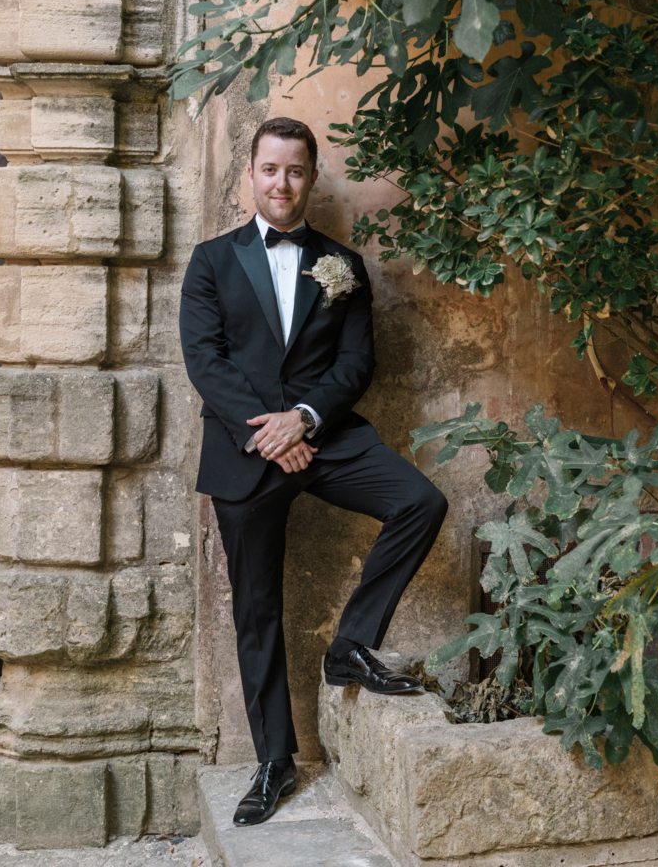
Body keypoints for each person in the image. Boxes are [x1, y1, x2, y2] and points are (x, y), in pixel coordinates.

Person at [179, 117, 449, 827]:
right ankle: (274, 762)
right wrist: (275, 432)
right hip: (246, 447)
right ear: (250, 175)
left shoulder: (343, 266)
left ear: (310, 178)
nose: (282, 183)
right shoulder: (210, 261)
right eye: (270, 169)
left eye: (295, 171)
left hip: (324, 436)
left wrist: (305, 419)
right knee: (257, 609)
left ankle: (351, 645)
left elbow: (357, 363)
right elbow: (206, 363)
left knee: (420, 501)